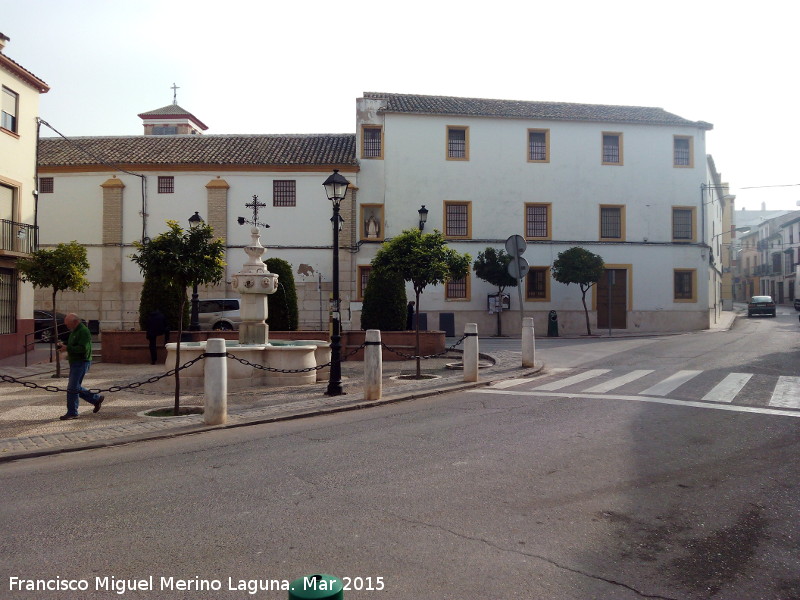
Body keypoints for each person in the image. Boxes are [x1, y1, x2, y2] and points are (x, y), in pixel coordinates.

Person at [56, 313, 104, 420]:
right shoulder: (75, 331)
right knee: (75, 387)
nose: (67, 327)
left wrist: (67, 348)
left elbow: (83, 349)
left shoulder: (83, 332)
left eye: (68, 324)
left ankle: (73, 412)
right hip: (75, 362)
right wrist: (64, 345)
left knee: (72, 388)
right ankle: (96, 399)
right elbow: (73, 344)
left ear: (75, 322)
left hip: (81, 362)